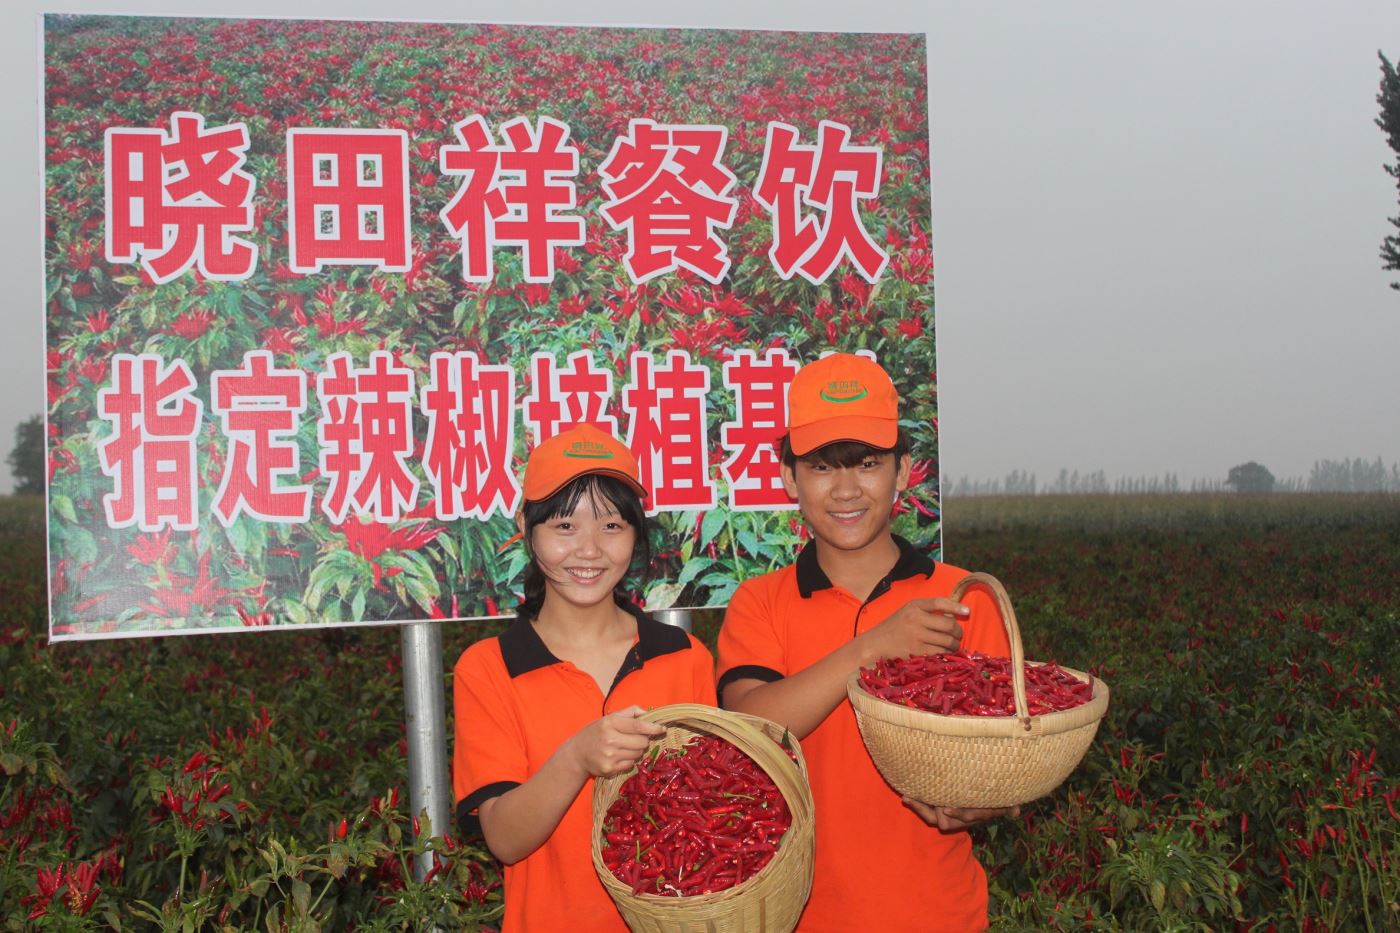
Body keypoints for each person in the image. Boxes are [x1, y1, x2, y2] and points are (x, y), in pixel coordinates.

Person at [716, 352, 1017, 933]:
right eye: (823, 467)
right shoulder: (760, 603)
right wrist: (874, 646)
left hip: (939, 915)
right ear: (789, 479)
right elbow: (750, 730)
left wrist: (985, 804)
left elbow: (1009, 756)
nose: (847, 489)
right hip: (798, 919)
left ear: (903, 472)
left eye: (868, 463)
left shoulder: (963, 596)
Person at [452, 423, 717, 932]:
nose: (590, 551)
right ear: (526, 526)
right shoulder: (490, 667)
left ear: (637, 532)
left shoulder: (684, 658)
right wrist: (577, 757)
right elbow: (504, 839)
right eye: (565, 527)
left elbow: (707, 820)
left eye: (612, 526)